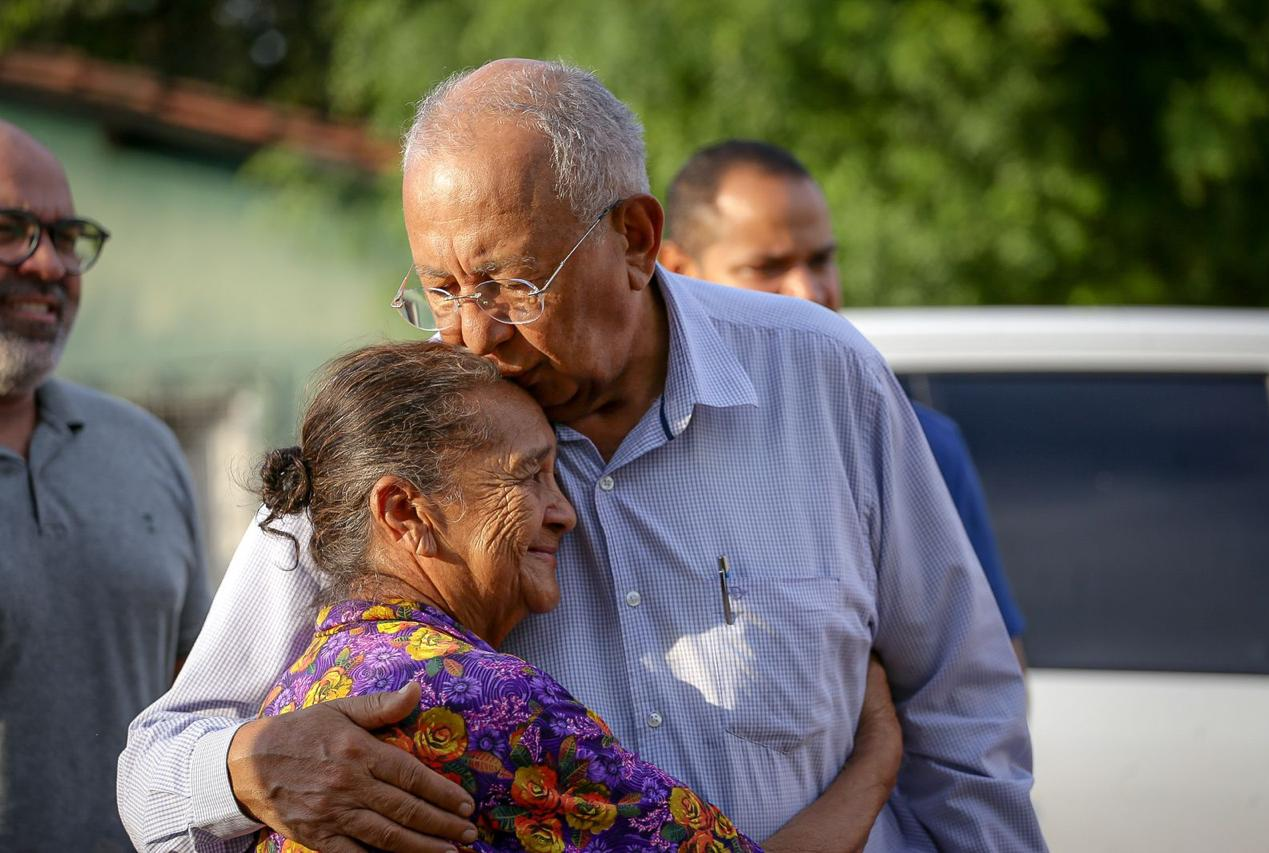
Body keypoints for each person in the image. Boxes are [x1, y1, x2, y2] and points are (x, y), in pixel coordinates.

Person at [120, 60, 1045, 852]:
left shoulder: (824, 377)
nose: (471, 336)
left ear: (636, 240)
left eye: (509, 286)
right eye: (438, 288)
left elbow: (965, 712)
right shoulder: (401, 437)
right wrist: (246, 769)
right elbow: (155, 764)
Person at [249, 339, 762, 852]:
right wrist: (849, 782)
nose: (564, 512)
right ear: (404, 512)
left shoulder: (293, 696)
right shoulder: (477, 693)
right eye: (529, 476)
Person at [658, 139, 1028, 661]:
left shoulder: (914, 442)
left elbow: (983, 683)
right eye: (767, 266)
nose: (809, 291)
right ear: (676, 268)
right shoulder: (631, 443)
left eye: (821, 260)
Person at [0, 121, 211, 849]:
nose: (50, 265)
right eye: (11, 229)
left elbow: (201, 698)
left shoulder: (142, 447)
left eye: (67, 237)